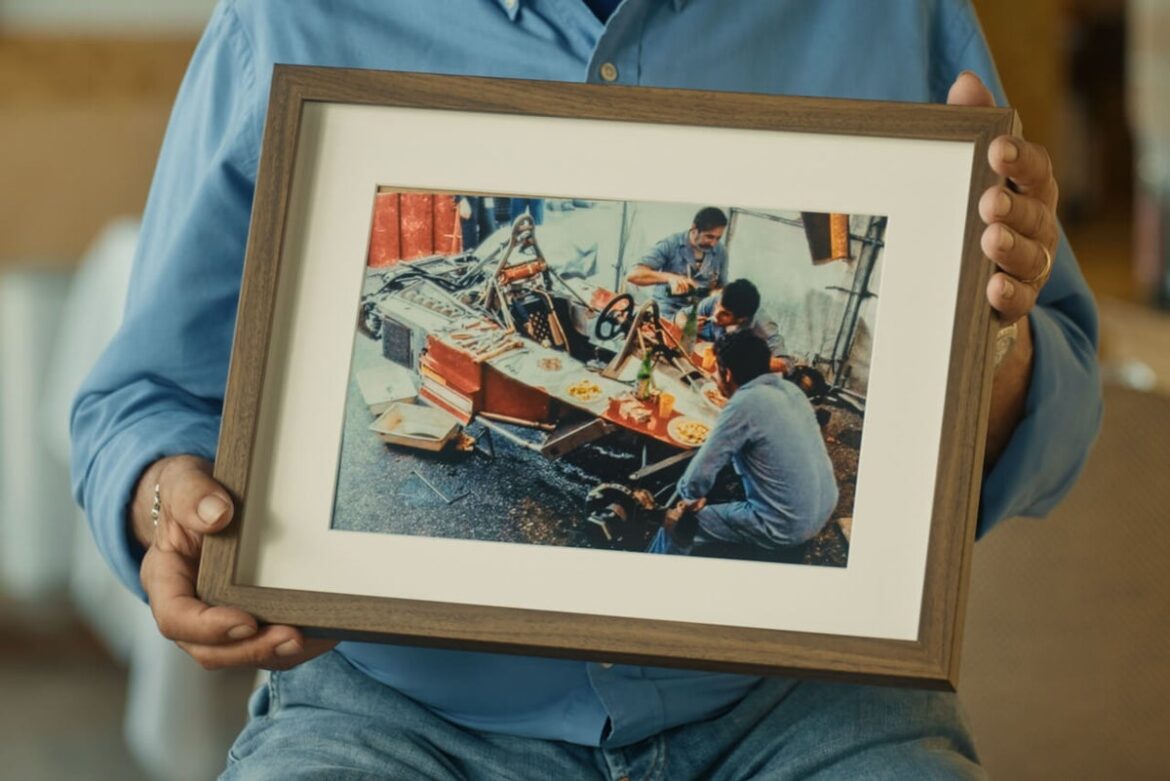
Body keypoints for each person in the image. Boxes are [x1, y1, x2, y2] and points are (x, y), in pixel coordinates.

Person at [70, 2, 1102, 777]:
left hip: (796, 703)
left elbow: (1059, 407)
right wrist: (170, 505)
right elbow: (143, 396)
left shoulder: (889, 15)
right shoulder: (290, 17)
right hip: (404, 711)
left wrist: (990, 347)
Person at [649, 330, 837, 560]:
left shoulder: (743, 403)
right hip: (825, 506)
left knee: (678, 523)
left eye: (717, 370)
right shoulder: (791, 390)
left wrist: (689, 496)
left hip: (787, 526)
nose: (715, 378)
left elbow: (695, 482)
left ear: (727, 374)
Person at [626, 206, 729, 319]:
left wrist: (715, 294)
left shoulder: (721, 252)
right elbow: (633, 275)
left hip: (698, 315)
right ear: (694, 228)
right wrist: (670, 278)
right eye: (709, 237)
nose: (713, 243)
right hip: (666, 313)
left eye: (718, 238)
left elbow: (721, 287)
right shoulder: (671, 244)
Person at [677, 278, 789, 373]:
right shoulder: (718, 301)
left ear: (741, 319)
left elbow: (784, 365)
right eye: (717, 306)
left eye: (725, 314)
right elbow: (681, 315)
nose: (715, 314)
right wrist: (687, 324)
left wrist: (740, 358)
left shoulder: (762, 328)